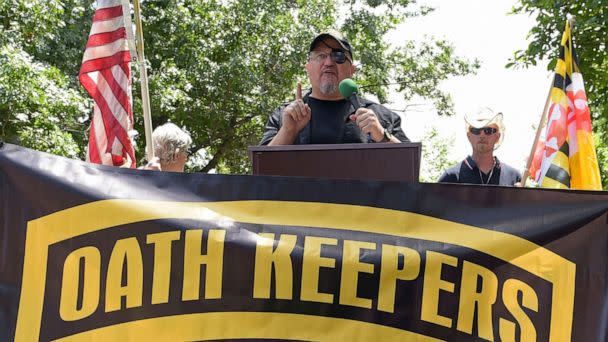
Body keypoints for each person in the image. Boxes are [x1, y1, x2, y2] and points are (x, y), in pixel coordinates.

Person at [260, 31, 409, 145]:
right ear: (308, 67)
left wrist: (382, 136)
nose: (329, 62)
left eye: (338, 56)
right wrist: (288, 131)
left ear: (352, 69)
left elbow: (408, 167)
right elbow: (261, 170)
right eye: (320, 56)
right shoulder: (285, 116)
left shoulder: (381, 117)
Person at [438, 108, 521, 186]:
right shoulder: (450, 177)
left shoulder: (514, 177)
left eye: (488, 130)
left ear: (497, 136)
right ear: (469, 136)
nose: (482, 135)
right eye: (476, 130)